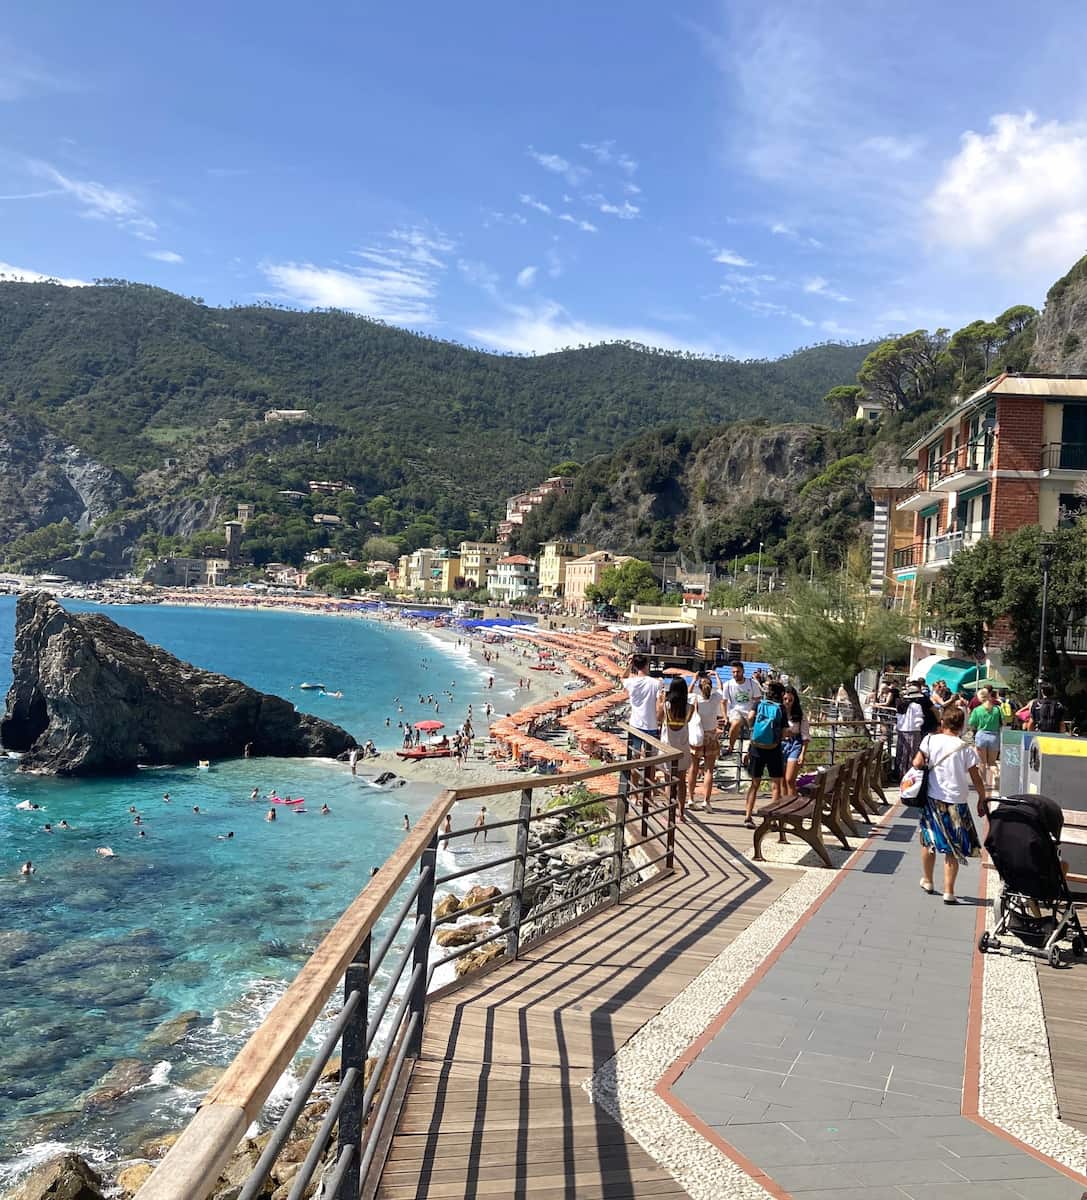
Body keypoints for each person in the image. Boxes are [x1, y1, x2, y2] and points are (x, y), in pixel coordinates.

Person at [913, 707, 987, 904]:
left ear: (942, 723)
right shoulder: (965, 748)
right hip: (957, 800)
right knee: (953, 847)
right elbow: (975, 777)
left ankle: (928, 880)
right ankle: (949, 891)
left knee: (928, 840)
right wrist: (982, 797)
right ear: (962, 726)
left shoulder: (929, 740)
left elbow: (916, 763)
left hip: (932, 799)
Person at [742, 681, 786, 829]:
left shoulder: (759, 704)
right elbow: (785, 732)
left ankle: (748, 816)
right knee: (776, 785)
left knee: (755, 783)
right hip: (774, 748)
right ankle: (772, 819)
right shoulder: (781, 708)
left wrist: (754, 730)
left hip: (756, 747)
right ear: (781, 694)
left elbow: (750, 717)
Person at [657, 678, 694, 822]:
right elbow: (688, 721)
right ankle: (682, 813)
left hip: (667, 746)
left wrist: (660, 700)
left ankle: (670, 813)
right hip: (683, 747)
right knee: (681, 781)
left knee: (669, 782)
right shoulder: (689, 707)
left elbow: (658, 719)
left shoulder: (666, 706)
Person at [687, 674, 723, 811]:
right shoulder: (714, 699)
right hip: (711, 736)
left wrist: (694, 679)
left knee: (693, 769)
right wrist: (717, 676)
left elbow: (688, 693)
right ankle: (706, 801)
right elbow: (721, 688)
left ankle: (691, 798)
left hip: (697, 736)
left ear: (699, 687)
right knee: (709, 770)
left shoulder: (695, 699)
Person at [895, 682, 937, 780]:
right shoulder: (916, 706)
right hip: (914, 731)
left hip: (902, 730)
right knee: (912, 752)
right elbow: (919, 719)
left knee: (902, 752)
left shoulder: (900, 705)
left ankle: (900, 773)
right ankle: (910, 773)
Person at [624, 654, 662, 759]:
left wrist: (630, 665)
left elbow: (623, 677)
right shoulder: (656, 683)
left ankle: (634, 775)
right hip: (651, 725)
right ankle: (648, 775)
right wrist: (659, 721)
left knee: (635, 756)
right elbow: (659, 705)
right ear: (647, 665)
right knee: (650, 758)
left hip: (635, 724)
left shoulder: (630, 682)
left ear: (635, 666)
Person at [722, 662, 762, 756]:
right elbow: (723, 702)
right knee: (736, 723)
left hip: (750, 711)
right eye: (734, 672)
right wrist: (725, 717)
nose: (736, 674)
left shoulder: (752, 684)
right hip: (735, 711)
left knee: (754, 732)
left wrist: (754, 712)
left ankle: (750, 753)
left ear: (743, 671)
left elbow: (758, 699)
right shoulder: (728, 684)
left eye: (738, 672)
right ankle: (730, 747)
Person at [967, 687, 1002, 788]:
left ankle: (983, 782)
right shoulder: (997, 709)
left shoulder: (978, 710)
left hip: (981, 735)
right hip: (994, 736)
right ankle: (996, 774)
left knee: (982, 762)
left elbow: (971, 723)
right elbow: (1003, 722)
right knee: (992, 762)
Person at [780, 686, 811, 798]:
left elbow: (805, 735)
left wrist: (803, 754)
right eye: (785, 699)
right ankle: (784, 805)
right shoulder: (778, 712)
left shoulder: (800, 715)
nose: (787, 702)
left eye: (790, 700)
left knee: (789, 779)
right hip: (781, 745)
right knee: (782, 779)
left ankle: (793, 803)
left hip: (795, 744)